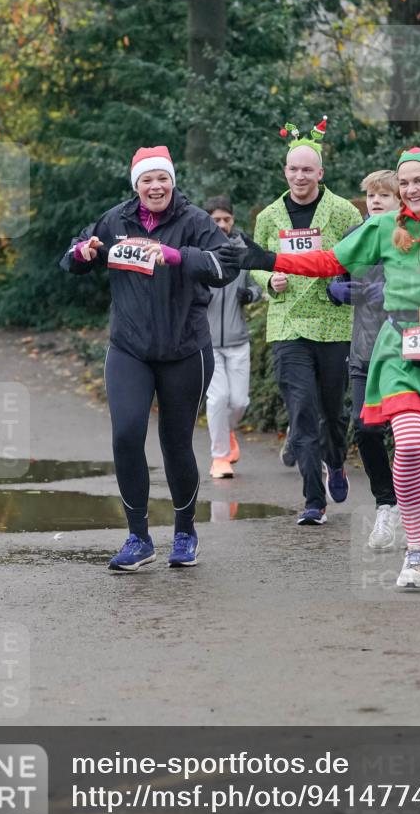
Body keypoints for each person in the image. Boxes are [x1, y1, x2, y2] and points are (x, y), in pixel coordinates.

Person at [221, 146, 420, 588]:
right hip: (401, 349)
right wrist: (269, 260)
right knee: (409, 445)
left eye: (418, 181)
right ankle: (413, 553)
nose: (409, 190)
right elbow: (330, 261)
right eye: (403, 182)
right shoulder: (383, 227)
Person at [60, 145, 238, 572]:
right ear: (136, 185)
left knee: (175, 442)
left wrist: (178, 256)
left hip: (184, 350)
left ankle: (184, 532)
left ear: (172, 182)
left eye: (162, 179)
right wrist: (82, 254)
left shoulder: (195, 221)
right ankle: (138, 538)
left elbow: (227, 264)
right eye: (147, 180)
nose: (155, 186)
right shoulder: (116, 220)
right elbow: (74, 254)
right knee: (126, 434)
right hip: (130, 349)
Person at [250, 118, 362, 526]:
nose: (300, 176)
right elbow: (255, 264)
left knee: (332, 412)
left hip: (332, 323)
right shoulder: (268, 217)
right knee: (301, 410)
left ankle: (336, 461)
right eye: (293, 169)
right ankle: (313, 500)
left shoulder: (344, 211)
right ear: (285, 172)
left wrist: (343, 280)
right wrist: (269, 279)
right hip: (288, 325)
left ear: (320, 173)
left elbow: (360, 258)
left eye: (307, 169)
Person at [326, 170, 401, 549]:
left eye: (384, 195)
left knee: (409, 439)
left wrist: (381, 291)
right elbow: (331, 278)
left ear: (401, 200)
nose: (375, 200)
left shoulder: (411, 239)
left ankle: (410, 506)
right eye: (371, 195)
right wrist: (338, 289)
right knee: (366, 429)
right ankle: (386, 504)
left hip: (406, 353)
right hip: (364, 353)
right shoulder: (353, 238)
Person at [204, 195, 262, 479]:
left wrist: (250, 294)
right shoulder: (198, 251)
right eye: (216, 220)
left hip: (239, 339)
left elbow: (259, 285)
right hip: (207, 341)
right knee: (218, 399)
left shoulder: (243, 249)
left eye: (227, 219)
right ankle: (219, 457)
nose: (222, 224)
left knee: (240, 401)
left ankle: (226, 436)